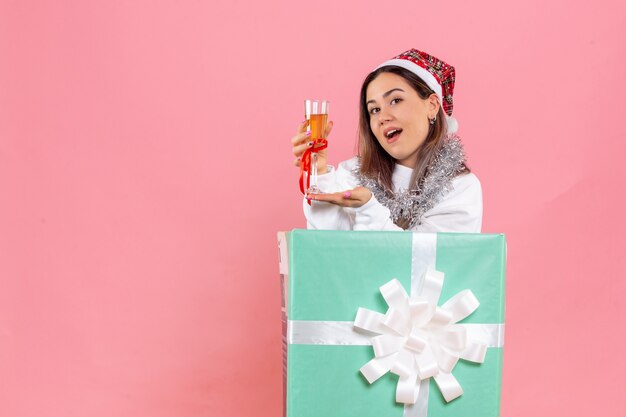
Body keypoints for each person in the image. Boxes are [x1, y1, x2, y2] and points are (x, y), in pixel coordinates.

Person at [291, 49, 482, 232]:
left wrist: (368, 210)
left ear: (432, 105)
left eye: (395, 100)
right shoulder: (350, 175)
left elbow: (425, 257)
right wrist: (321, 174)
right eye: (374, 110)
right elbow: (328, 249)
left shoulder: (460, 187)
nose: (383, 117)